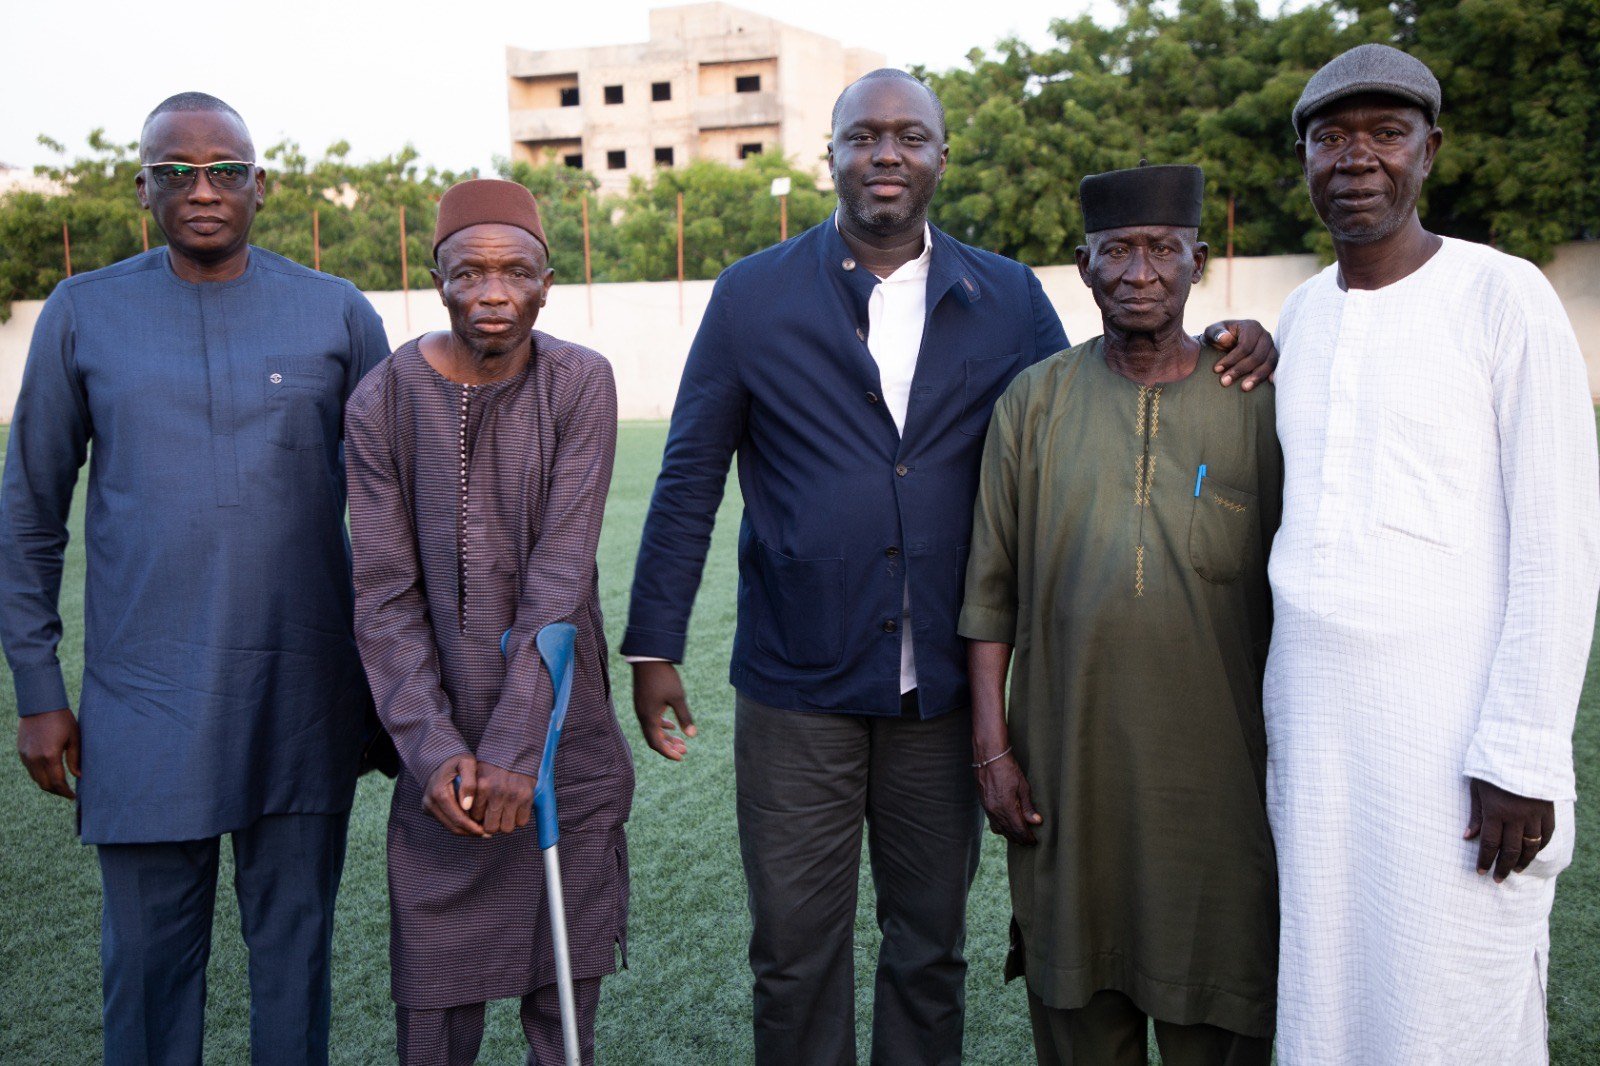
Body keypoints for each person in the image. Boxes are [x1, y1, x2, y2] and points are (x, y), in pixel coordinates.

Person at [622, 67, 1276, 1065]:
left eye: (910, 137)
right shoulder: (751, 296)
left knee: (929, 951)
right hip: (799, 684)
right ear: (829, 155)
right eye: (864, 137)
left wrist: (1239, 338)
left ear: (939, 156)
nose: (887, 155)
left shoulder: (1007, 296)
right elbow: (687, 479)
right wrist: (654, 643)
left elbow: (1093, 400)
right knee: (794, 953)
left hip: (941, 693)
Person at [0, 92, 389, 1064]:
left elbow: (397, 518)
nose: (201, 189)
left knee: (293, 962)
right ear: (142, 188)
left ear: (263, 185)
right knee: (147, 971)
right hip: (143, 705)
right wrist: (40, 692)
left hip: (300, 696)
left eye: (225, 170)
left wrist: (402, 688)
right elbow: (28, 516)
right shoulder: (83, 313)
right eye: (175, 171)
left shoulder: (337, 313)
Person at [1265, 44, 1600, 1064]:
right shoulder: (1301, 314)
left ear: (1428, 153)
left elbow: (1559, 545)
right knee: (1324, 985)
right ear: (1306, 162)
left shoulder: (1504, 298)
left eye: (1383, 134)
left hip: (1455, 747)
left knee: (1451, 993)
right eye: (1330, 138)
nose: (1354, 159)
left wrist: (1522, 753)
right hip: (1315, 734)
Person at [960, 162, 1280, 1066]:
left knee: (1218, 1013)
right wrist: (993, 752)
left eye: (1164, 250)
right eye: (1119, 251)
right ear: (1083, 265)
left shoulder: (1258, 400)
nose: (1141, 271)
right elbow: (990, 595)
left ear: (1199, 263)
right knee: (1078, 1007)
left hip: (1222, 790)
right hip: (1067, 780)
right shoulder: (1034, 402)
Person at [346, 178, 633, 1066]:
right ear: (437, 278)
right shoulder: (381, 398)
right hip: (442, 762)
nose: (494, 293)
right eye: (470, 272)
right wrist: (435, 753)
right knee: (435, 1004)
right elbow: (385, 595)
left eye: (517, 272)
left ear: (549, 281)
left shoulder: (581, 382)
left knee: (565, 1005)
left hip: (562, 744)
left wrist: (517, 753)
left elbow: (558, 581)